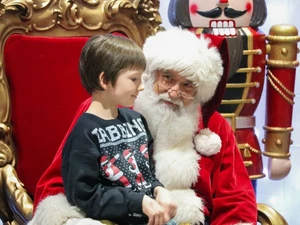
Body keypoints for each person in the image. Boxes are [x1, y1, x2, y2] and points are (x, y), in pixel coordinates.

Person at [29, 29, 257, 225]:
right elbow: (60, 182)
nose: (175, 92)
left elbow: (236, 199)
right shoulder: (103, 110)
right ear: (150, 75)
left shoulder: (213, 125)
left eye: (187, 85)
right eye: (167, 78)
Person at [29, 34, 177, 225]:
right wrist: (138, 201)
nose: (141, 87)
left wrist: (159, 190)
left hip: (153, 218)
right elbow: (84, 195)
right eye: (134, 79)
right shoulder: (84, 133)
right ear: (104, 80)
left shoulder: (137, 120)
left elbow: (147, 173)